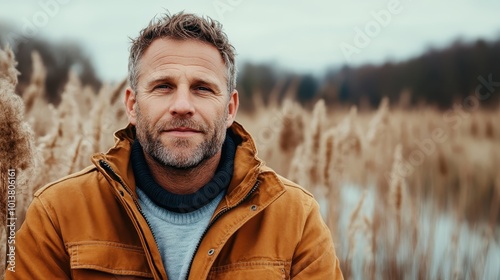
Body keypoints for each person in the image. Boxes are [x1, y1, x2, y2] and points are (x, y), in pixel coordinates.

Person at [6, 12, 343, 279]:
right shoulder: (57, 214)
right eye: (164, 86)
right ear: (133, 105)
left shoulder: (295, 217)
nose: (182, 105)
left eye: (202, 88)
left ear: (230, 109)